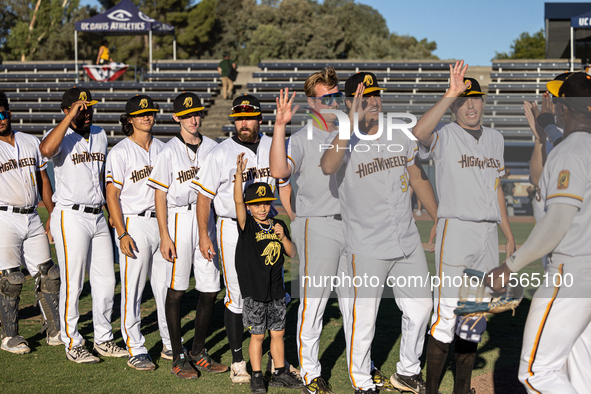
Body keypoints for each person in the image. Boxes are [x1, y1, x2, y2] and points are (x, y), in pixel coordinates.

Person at [269, 68, 394, 393]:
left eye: (336, 95)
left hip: (355, 226)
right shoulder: (300, 137)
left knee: (356, 305)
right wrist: (280, 126)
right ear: (312, 102)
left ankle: (361, 370)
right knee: (315, 304)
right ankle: (311, 372)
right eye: (325, 97)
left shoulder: (353, 131)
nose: (333, 102)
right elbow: (279, 171)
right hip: (318, 226)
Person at [320, 73, 438, 394]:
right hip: (366, 244)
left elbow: (416, 175)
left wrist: (438, 218)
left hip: (406, 240)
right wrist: (349, 123)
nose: (372, 101)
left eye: (375, 95)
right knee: (364, 318)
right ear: (349, 101)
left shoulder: (398, 132)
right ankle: (361, 381)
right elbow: (328, 166)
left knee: (421, 307)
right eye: (363, 96)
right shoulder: (342, 137)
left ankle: (407, 371)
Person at [412, 61, 515, 394]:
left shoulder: (496, 138)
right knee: (446, 315)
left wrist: (508, 234)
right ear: (454, 106)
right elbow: (419, 134)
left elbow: (495, 186)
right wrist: (449, 93)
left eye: (475, 98)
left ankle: (462, 390)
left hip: (487, 236)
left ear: (484, 102)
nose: (470, 105)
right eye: (463, 101)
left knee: (474, 318)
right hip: (455, 231)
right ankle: (430, 391)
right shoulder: (444, 135)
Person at [487, 71, 591, 394]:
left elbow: (557, 222)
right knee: (581, 365)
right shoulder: (578, 145)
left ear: (564, 109)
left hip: (570, 270)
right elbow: (562, 142)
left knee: (536, 372)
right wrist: (546, 125)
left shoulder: (572, 151)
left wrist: (510, 266)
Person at [193, 94, 288, 384]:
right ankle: (237, 361)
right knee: (237, 295)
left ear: (260, 118)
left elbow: (283, 183)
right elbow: (203, 198)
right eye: (238, 118)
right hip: (232, 227)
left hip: (267, 226)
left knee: (274, 293)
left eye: (248, 117)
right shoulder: (221, 152)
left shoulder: (274, 144)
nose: (243, 123)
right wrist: (203, 236)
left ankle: (278, 359)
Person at [39, 87, 127, 363]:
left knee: (106, 280)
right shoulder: (60, 135)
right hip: (71, 215)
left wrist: (110, 209)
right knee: (73, 281)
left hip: (97, 215)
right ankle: (72, 341)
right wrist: (70, 117)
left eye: (89, 106)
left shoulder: (100, 134)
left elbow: (100, 176)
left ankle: (103, 338)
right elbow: (45, 150)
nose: (86, 111)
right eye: (80, 107)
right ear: (67, 110)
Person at [146, 92, 228, 378]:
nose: (194, 119)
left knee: (210, 287)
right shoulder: (168, 151)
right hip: (179, 217)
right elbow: (159, 195)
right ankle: (177, 355)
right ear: (176, 117)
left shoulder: (214, 147)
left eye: (197, 113)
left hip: (206, 218)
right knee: (178, 288)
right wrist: (164, 235)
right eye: (188, 114)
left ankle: (197, 350)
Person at [105, 95, 170, 371]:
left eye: (151, 112)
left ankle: (170, 343)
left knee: (167, 287)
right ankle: (135, 346)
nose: (147, 117)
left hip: (163, 224)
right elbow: (112, 196)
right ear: (129, 119)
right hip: (135, 222)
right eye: (141, 114)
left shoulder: (165, 149)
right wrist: (122, 232)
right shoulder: (119, 152)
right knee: (133, 289)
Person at [233, 160, 303, 393]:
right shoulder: (247, 225)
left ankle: (279, 372)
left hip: (275, 291)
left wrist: (283, 237)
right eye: (256, 204)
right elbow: (237, 202)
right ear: (249, 207)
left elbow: (293, 254)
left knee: (278, 332)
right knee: (258, 335)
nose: (262, 208)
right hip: (255, 290)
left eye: (265, 203)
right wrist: (239, 177)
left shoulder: (278, 224)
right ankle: (255, 375)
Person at [0, 91, 60, 354]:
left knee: (49, 274)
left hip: (33, 216)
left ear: (9, 113)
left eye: (2, 113)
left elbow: (44, 180)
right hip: (4, 217)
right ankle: (10, 336)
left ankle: (54, 329)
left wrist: (53, 214)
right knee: (11, 279)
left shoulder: (30, 141)